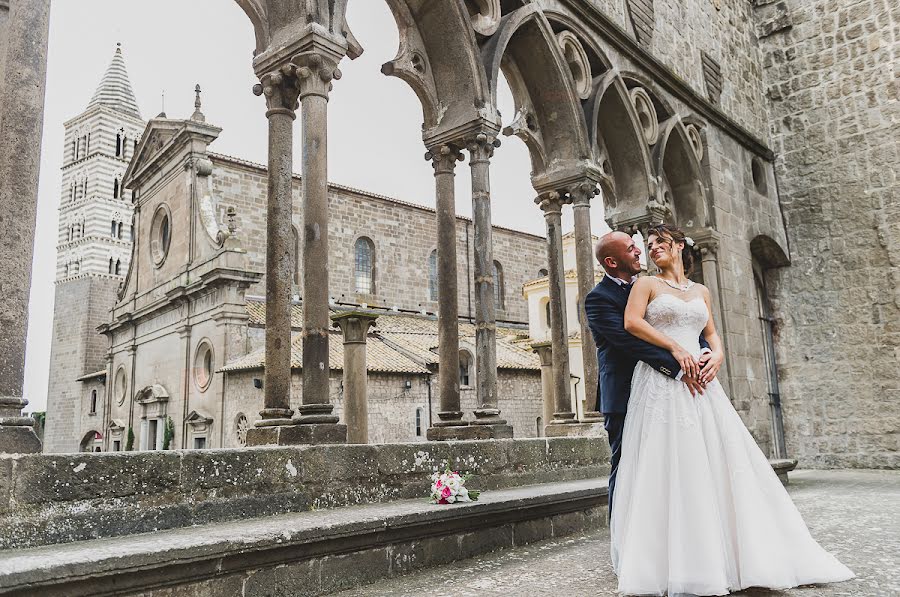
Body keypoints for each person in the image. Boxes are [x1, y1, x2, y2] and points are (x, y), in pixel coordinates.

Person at [611, 223, 853, 596]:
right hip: (661, 381)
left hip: (703, 381)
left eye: (660, 242)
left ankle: (735, 555)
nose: (653, 248)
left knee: (718, 458)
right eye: (649, 244)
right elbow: (632, 323)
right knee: (668, 460)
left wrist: (719, 355)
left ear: (677, 247)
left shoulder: (701, 291)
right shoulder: (646, 285)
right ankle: (672, 562)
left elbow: (710, 333)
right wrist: (675, 349)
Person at [584, 231, 716, 520]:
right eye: (631, 249)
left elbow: (688, 323)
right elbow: (631, 342)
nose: (639, 252)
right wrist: (679, 366)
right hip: (625, 391)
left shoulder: (656, 286)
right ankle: (622, 536)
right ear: (611, 261)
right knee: (627, 465)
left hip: (674, 388)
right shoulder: (598, 299)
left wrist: (704, 352)